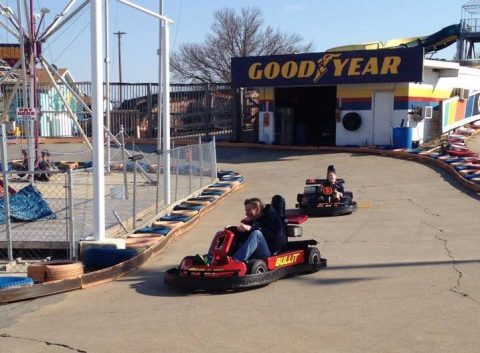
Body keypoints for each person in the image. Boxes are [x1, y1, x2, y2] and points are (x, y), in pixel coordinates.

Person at [232, 197, 285, 262]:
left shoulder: (274, 218)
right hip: (255, 250)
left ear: (257, 209)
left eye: (248, 210)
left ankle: (236, 261)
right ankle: (222, 259)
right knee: (231, 233)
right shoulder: (254, 219)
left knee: (257, 233)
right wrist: (234, 230)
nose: (246, 213)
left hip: (270, 252)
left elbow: (276, 238)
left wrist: (251, 228)